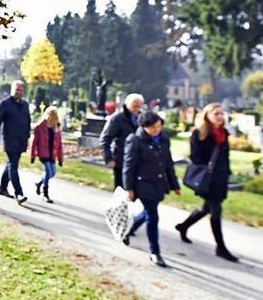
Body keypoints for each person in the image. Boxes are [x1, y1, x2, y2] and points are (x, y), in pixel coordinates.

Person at [175, 103, 239, 262]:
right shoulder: (199, 133)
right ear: (207, 115)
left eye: (221, 113)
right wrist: (209, 167)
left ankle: (183, 226)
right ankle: (221, 247)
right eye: (216, 113)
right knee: (215, 210)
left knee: (206, 209)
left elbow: (225, 156)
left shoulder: (223, 133)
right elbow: (195, 156)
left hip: (220, 178)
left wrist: (227, 172)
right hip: (207, 179)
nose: (219, 116)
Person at [122, 112, 181, 267]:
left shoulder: (163, 139)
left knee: (149, 212)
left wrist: (175, 185)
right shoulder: (134, 140)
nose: (156, 129)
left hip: (158, 183)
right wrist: (129, 188)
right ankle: (155, 252)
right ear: (144, 127)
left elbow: (168, 163)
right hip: (142, 184)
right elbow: (128, 166)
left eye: (158, 126)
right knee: (153, 216)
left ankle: (128, 229)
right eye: (152, 127)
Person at [0, 80, 31, 204]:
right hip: (8, 140)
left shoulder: (25, 105)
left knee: (11, 164)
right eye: (17, 90)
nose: (19, 92)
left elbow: (28, 121)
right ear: (12, 90)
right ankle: (18, 193)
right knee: (13, 165)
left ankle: (2, 188)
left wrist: (27, 137)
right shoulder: (4, 104)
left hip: (21, 140)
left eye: (21, 90)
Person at [99, 93, 145, 188]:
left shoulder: (142, 119)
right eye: (134, 106)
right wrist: (108, 159)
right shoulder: (117, 118)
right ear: (127, 104)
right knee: (121, 192)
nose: (137, 109)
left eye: (139, 106)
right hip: (121, 160)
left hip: (138, 162)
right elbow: (105, 139)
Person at [31, 106, 64, 203]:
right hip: (43, 153)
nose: (50, 117)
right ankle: (45, 193)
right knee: (48, 172)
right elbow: (34, 142)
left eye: (52, 115)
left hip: (52, 154)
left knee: (52, 173)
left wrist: (60, 159)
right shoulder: (41, 126)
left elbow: (59, 145)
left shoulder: (56, 127)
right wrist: (33, 155)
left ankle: (39, 183)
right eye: (49, 115)